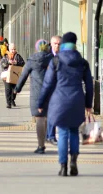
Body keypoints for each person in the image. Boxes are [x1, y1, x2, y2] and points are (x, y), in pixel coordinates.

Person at [38, 32, 93, 176]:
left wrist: (41, 102)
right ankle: (74, 161)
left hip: (59, 101)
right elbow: (89, 85)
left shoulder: (56, 61)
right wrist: (88, 104)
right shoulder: (82, 62)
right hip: (77, 101)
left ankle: (63, 166)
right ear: (75, 44)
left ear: (63, 44)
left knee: (62, 132)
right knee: (74, 131)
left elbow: (47, 84)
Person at [15, 39, 53, 154]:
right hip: (51, 92)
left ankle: (41, 145)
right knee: (46, 116)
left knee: (39, 118)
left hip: (37, 93)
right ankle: (46, 137)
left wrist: (17, 89)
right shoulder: (52, 59)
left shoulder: (32, 60)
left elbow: (23, 75)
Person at [46, 35, 62, 145]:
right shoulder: (46, 55)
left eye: (59, 44)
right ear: (51, 44)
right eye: (55, 43)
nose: (57, 45)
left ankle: (50, 135)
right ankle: (50, 136)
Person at [0, 43, 25, 108]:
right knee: (8, 89)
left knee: (14, 89)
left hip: (15, 75)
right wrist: (8, 63)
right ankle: (8, 103)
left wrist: (16, 63)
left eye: (14, 49)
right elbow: (2, 64)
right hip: (7, 75)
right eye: (12, 49)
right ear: (9, 49)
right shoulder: (5, 56)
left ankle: (12, 99)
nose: (13, 50)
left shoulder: (18, 56)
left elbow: (23, 63)